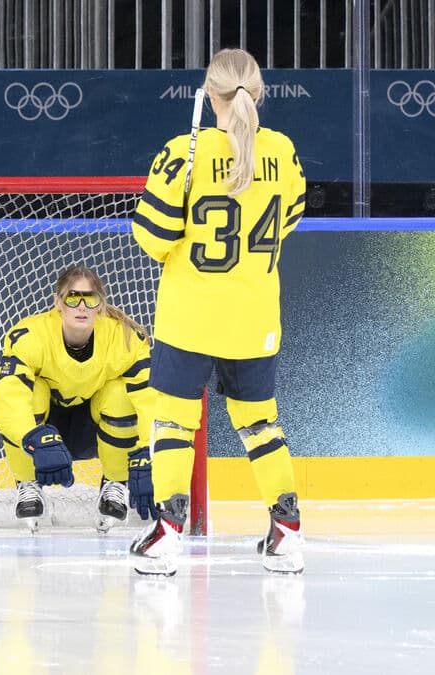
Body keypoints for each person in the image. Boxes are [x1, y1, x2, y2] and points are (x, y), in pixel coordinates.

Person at [129, 48, 307, 575]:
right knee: (260, 426)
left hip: (191, 317)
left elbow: (151, 237)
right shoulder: (284, 151)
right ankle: (287, 531)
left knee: (173, 424)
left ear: (210, 95)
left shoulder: (184, 152)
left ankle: (166, 534)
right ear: (258, 93)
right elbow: (288, 222)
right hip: (254, 318)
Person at [0, 264, 156, 532]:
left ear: (100, 305)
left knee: (119, 393)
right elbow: (7, 393)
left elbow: (150, 398)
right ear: (58, 302)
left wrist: (149, 453)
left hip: (93, 430)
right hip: (45, 437)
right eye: (72, 297)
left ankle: (115, 484)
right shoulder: (31, 335)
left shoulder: (125, 339)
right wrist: (32, 439)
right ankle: (28, 484)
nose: (81, 306)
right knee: (33, 391)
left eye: (89, 298)